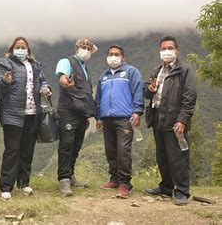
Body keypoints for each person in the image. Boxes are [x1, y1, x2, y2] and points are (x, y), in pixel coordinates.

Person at [0, 36, 50, 200]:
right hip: (12, 114)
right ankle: (6, 187)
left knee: (27, 150)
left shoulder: (35, 65)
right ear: (12, 49)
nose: (20, 50)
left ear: (28, 50)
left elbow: (42, 82)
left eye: (23, 47)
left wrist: (46, 89)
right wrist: (5, 81)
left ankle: (23, 184)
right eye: (17, 47)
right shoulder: (4, 64)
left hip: (33, 112)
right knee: (12, 151)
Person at [144, 36, 197, 206]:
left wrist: (182, 120)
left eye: (169, 48)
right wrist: (149, 90)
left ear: (177, 50)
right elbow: (147, 93)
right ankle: (166, 186)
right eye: (163, 49)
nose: (166, 51)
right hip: (158, 118)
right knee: (162, 156)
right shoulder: (156, 70)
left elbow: (189, 97)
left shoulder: (185, 71)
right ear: (160, 51)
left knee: (178, 157)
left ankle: (182, 191)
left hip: (175, 121)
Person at [95, 45, 144, 199]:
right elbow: (99, 98)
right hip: (107, 118)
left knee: (123, 151)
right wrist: (98, 117)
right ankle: (114, 179)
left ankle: (124, 184)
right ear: (107, 56)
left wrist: (137, 111)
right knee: (111, 151)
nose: (113, 56)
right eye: (111, 54)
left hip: (125, 118)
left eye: (117, 54)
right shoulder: (103, 76)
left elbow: (138, 91)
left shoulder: (131, 72)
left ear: (123, 57)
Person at [55, 38, 97, 196]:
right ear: (76, 48)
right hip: (68, 112)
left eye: (88, 48)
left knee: (76, 145)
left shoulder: (85, 69)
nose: (85, 50)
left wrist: (87, 116)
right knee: (66, 145)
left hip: (81, 113)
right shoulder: (66, 62)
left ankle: (70, 174)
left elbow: (85, 94)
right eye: (83, 47)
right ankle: (64, 180)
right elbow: (63, 79)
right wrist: (66, 83)